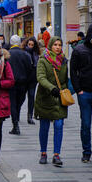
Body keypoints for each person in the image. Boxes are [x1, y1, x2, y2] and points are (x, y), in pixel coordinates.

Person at [35, 36, 69, 167]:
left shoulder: (63, 61)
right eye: (55, 44)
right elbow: (40, 77)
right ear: (50, 46)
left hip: (59, 98)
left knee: (59, 125)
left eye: (59, 45)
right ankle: (43, 153)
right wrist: (51, 88)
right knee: (44, 126)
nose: (58, 47)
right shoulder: (43, 60)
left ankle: (56, 154)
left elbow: (65, 79)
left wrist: (67, 91)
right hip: (45, 97)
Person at [70, 24, 92, 163]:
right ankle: (86, 152)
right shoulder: (79, 50)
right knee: (86, 125)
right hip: (85, 93)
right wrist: (78, 90)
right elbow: (73, 72)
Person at [8, 35, 33, 135]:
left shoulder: (8, 54)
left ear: (11, 43)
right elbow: (29, 69)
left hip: (11, 84)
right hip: (23, 83)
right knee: (19, 102)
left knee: (12, 103)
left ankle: (15, 124)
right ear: (19, 43)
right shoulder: (25, 55)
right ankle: (16, 118)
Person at [23, 37, 41, 125]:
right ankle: (17, 113)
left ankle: (30, 116)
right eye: (29, 44)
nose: (30, 46)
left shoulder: (36, 54)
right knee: (22, 98)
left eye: (32, 45)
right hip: (25, 79)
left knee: (31, 97)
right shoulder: (24, 53)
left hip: (33, 79)